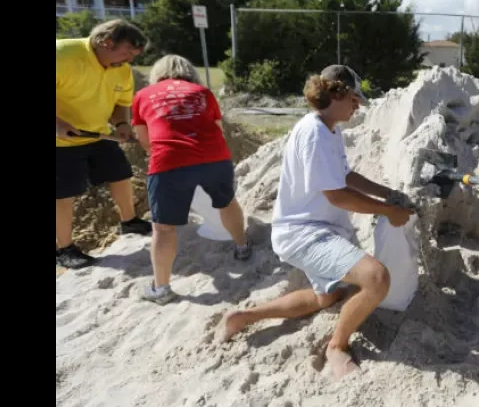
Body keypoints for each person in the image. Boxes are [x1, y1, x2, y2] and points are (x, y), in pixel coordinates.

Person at [216, 64, 415, 379]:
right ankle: (336, 346)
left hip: (320, 229)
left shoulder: (328, 128)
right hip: (303, 233)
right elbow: (336, 195)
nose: (357, 107)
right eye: (354, 100)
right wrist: (387, 210)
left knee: (329, 296)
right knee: (376, 279)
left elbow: (344, 175)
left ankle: (242, 317)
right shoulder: (314, 132)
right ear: (338, 94)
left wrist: (387, 194)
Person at [131, 55, 252, 304]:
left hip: (169, 159)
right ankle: (242, 247)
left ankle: (161, 288)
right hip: (214, 155)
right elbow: (217, 129)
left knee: (163, 227)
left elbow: (145, 142)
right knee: (227, 202)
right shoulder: (202, 92)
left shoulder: (144, 95)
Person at [56, 19, 154, 269]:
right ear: (105, 42)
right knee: (63, 194)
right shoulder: (63, 55)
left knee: (120, 173)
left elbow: (121, 101)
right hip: (60, 142)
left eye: (134, 55)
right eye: (126, 52)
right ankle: (64, 249)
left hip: (96, 133)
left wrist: (121, 125)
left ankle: (129, 221)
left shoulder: (121, 68)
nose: (129, 61)